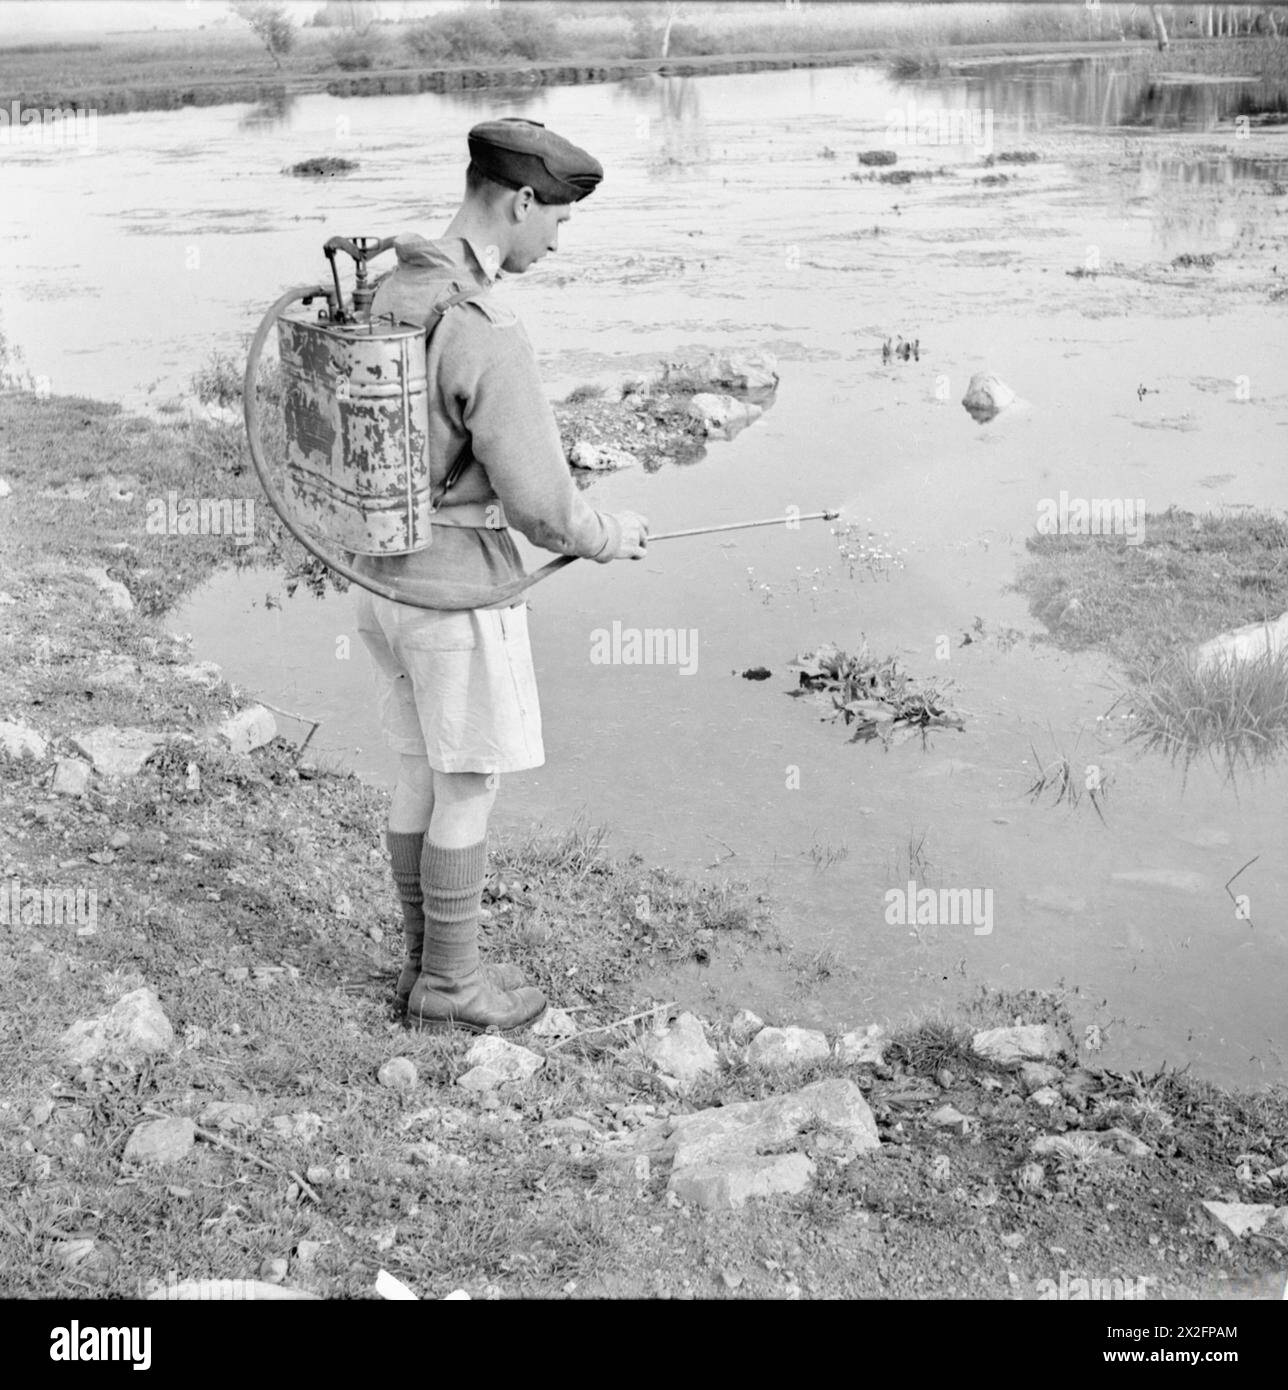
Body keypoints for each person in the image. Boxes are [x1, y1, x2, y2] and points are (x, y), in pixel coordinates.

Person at [354, 118, 648, 1034]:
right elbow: (541, 508)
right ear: (520, 201)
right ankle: (450, 988)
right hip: (452, 588)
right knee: (469, 783)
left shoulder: (391, 285)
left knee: (419, 769)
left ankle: (420, 966)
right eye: (555, 218)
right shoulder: (484, 327)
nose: (556, 238)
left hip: (375, 579)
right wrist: (607, 535)